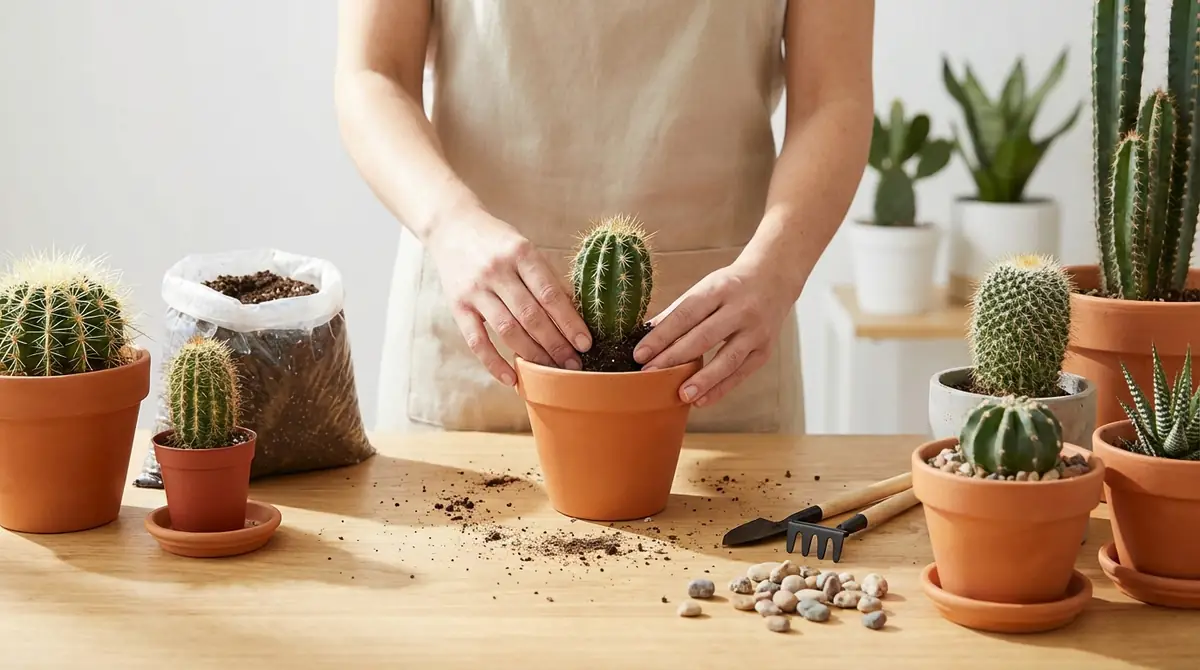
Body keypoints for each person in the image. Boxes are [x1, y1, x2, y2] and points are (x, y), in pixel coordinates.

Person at [334, 0, 874, 434]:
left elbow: (832, 96)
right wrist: (451, 223)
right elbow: (374, 72)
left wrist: (776, 267)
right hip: (479, 333)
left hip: (714, 341)